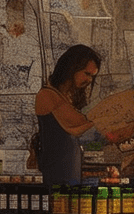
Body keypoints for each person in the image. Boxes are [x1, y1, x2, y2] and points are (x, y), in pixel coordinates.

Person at [34, 45, 103, 186]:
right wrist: (106, 117)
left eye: (92, 76)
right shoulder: (47, 95)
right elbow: (76, 124)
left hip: (69, 174)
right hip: (56, 175)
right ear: (71, 68)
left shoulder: (65, 97)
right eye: (87, 73)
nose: (89, 80)